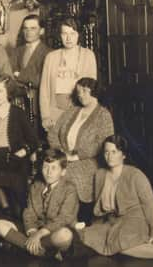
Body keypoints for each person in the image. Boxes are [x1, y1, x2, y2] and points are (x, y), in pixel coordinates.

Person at [72, 136, 153, 261]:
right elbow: (99, 207)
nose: (109, 156)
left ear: (123, 155)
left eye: (114, 152)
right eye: (106, 152)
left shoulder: (135, 175)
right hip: (111, 221)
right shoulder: (99, 175)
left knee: (120, 243)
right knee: (84, 236)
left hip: (134, 220)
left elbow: (150, 205)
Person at [47, 77, 114, 221]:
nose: (80, 95)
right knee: (49, 172)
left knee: (68, 175)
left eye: (84, 91)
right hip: (63, 157)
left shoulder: (104, 115)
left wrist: (76, 156)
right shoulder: (72, 111)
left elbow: (103, 143)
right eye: (78, 91)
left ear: (94, 91)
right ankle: (54, 218)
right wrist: (60, 151)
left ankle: (74, 219)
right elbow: (53, 133)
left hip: (89, 161)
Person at [0, 149, 78, 258]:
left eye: (54, 168)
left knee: (65, 235)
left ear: (63, 171)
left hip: (53, 232)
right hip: (36, 229)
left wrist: (39, 234)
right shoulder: (36, 186)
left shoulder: (69, 189)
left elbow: (63, 219)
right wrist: (32, 232)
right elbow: (29, 212)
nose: (48, 172)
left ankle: (26, 246)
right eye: (45, 167)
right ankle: (41, 251)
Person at [0, 74, 38, 217]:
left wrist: (23, 152)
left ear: (8, 92)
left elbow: (33, 140)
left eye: (0, 91)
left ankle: (15, 209)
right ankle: (6, 209)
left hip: (14, 155)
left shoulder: (18, 113)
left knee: (16, 177)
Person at [40, 17, 97, 132]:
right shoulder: (51, 57)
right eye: (64, 33)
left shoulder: (88, 55)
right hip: (55, 111)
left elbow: (92, 89)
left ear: (78, 34)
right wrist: (45, 116)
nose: (68, 38)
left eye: (72, 33)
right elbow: (44, 89)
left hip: (80, 110)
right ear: (59, 35)